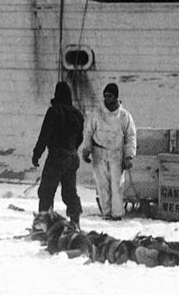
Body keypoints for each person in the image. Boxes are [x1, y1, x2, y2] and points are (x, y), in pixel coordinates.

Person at [80, 82, 138, 220]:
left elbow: (131, 136)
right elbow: (88, 132)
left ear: (116, 97)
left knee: (117, 185)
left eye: (110, 96)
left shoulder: (124, 116)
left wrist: (129, 156)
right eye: (105, 96)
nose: (107, 99)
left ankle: (117, 214)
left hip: (116, 153)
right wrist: (86, 149)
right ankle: (106, 213)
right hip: (99, 152)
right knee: (102, 185)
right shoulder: (97, 113)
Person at [31, 81, 85, 226]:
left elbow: (44, 135)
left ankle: (44, 225)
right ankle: (75, 223)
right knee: (70, 193)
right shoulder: (77, 113)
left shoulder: (54, 111)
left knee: (46, 191)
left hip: (57, 156)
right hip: (73, 157)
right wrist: (72, 149)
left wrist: (37, 154)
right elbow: (80, 137)